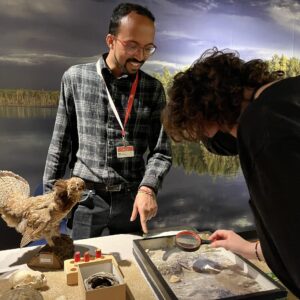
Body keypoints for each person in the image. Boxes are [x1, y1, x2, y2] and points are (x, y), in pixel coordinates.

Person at [162, 48, 300, 296]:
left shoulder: (264, 129)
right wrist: (254, 249)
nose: (209, 142)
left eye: (203, 133)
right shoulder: (289, 94)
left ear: (209, 115)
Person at [43, 3, 172, 239]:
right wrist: (48, 200)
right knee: (79, 267)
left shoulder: (153, 89)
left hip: (132, 204)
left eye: (148, 48)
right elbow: (60, 145)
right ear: (110, 40)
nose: (140, 56)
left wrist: (148, 188)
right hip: (84, 202)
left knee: (132, 271)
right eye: (132, 46)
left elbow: (161, 151)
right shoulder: (75, 78)